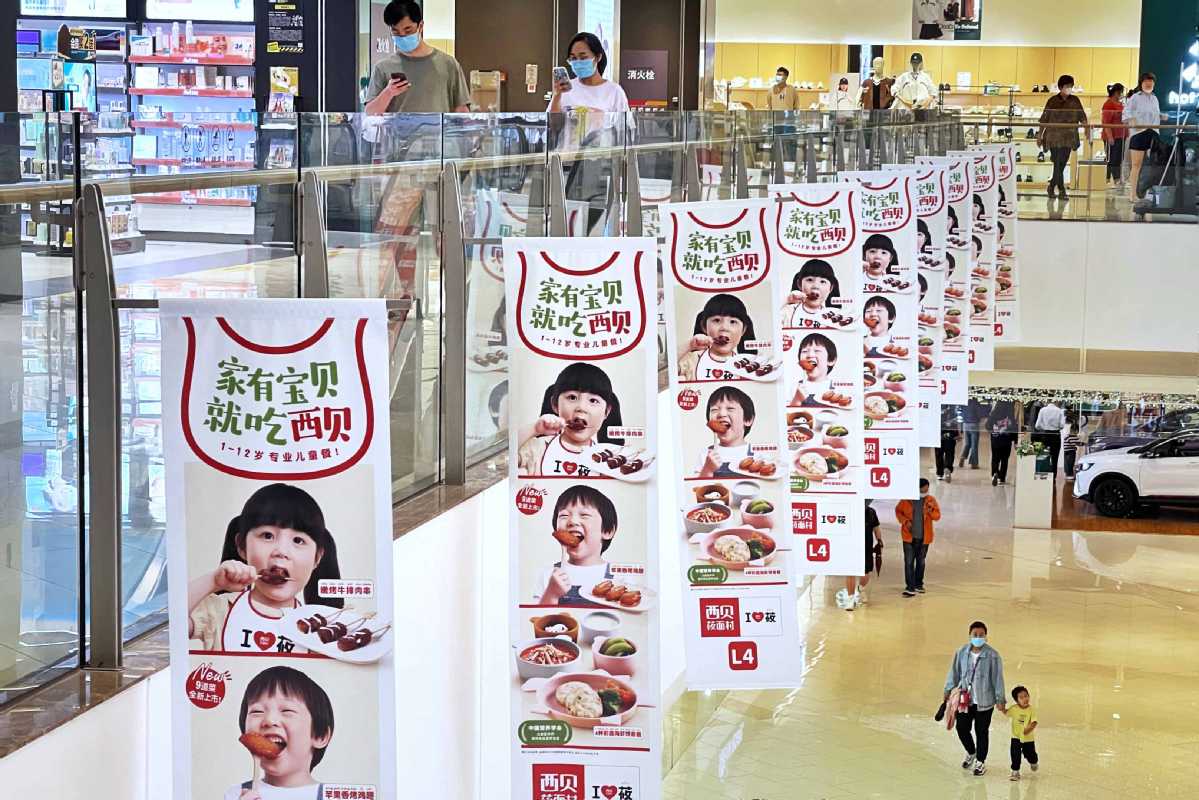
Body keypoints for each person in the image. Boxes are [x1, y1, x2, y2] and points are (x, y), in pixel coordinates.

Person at [188, 484, 342, 653]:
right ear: (241, 546)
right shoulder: (218, 611)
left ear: (317, 558)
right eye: (267, 536)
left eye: (298, 540)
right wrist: (213, 582)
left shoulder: (320, 630)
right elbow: (172, 622)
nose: (281, 552)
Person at [227, 666, 335, 800]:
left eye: (287, 711)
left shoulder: (333, 796)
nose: (269, 720)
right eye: (257, 711)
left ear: (320, 735)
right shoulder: (236, 794)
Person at [517, 363, 624, 477]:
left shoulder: (608, 461)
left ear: (606, 412)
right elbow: (505, 459)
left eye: (593, 401)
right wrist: (534, 429)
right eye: (572, 397)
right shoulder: (537, 448)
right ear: (555, 404)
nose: (581, 408)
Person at [365, 0, 470, 114]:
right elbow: (370, 113)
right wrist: (388, 92)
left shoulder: (448, 64)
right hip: (398, 132)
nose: (402, 36)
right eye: (396, 32)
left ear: (420, 26)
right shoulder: (383, 68)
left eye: (408, 30)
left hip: (437, 132)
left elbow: (461, 111)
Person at [536, 485, 621, 605]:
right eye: (564, 515)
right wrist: (551, 593)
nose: (572, 521)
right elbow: (538, 619)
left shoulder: (619, 577)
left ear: (607, 531)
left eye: (584, 515)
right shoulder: (548, 574)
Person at [944, 621, 1007, 777]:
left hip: (985, 702)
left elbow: (997, 679)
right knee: (962, 728)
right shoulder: (961, 652)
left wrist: (1000, 699)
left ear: (986, 637)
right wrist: (947, 689)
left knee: (981, 731)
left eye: (981, 635)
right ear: (970, 635)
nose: (978, 637)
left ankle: (980, 761)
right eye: (975, 635)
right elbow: (954, 672)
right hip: (965, 699)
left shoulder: (993, 656)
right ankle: (971, 752)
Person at [677, 293, 759, 381]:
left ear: (743, 330)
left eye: (732, 322)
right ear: (704, 326)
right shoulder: (692, 360)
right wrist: (689, 345)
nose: (724, 328)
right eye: (716, 320)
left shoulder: (746, 366)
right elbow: (668, 368)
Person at [1036, 75, 1089, 201]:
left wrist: (1087, 129)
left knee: (1061, 164)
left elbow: (1082, 116)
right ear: (1060, 87)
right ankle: (1062, 190)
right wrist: (1039, 135)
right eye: (1066, 86)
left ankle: (1052, 186)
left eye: (1071, 86)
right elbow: (1044, 119)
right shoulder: (1052, 101)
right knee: (1058, 162)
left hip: (1069, 137)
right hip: (1053, 137)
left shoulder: (1075, 100)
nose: (1069, 88)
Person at [698, 386, 761, 477]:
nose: (721, 414)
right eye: (714, 410)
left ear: (748, 419)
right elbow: (698, 488)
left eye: (730, 408)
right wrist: (707, 469)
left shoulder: (757, 455)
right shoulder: (705, 454)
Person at [1122, 72, 1165, 201]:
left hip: (1153, 133)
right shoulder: (1135, 97)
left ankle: (1147, 193)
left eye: (1151, 81)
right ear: (1141, 83)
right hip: (1139, 133)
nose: (1149, 83)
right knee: (1136, 165)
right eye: (1146, 81)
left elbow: (1155, 114)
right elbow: (1126, 112)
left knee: (1153, 165)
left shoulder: (1154, 98)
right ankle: (1132, 194)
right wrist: (1132, 120)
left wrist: (1162, 116)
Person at [895, 478, 940, 597]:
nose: (925, 492)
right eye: (923, 490)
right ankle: (910, 587)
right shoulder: (906, 500)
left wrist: (930, 510)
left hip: (924, 538)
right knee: (909, 562)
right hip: (908, 537)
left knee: (921, 561)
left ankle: (918, 584)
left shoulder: (931, 500)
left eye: (927, 490)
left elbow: (937, 516)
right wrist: (905, 522)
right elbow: (898, 511)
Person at [838, 499, 883, 611]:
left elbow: (876, 528)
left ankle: (860, 588)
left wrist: (879, 540)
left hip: (866, 547)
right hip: (850, 546)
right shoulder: (847, 510)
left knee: (865, 574)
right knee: (850, 572)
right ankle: (850, 599)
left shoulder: (871, 512)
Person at [781, 259, 844, 327]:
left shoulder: (833, 318)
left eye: (822, 281)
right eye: (810, 280)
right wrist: (787, 300)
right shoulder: (787, 312)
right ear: (799, 284)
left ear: (830, 288)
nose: (816, 286)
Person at [1005, 685, 1040, 781]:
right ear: (1016, 700)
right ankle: (1015, 771)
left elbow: (1034, 722)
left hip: (1028, 738)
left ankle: (1033, 761)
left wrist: (1027, 730)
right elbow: (1006, 713)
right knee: (1015, 754)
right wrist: (1001, 707)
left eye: (1026, 696)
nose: (1025, 699)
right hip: (1016, 736)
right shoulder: (1014, 708)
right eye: (1021, 697)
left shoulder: (1031, 709)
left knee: (1030, 754)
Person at [793, 333, 838, 407]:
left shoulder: (836, 388)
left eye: (817, 351)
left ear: (831, 360)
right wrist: (797, 400)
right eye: (804, 351)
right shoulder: (795, 387)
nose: (810, 355)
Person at [1101, 83, 1128, 189]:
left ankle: (1116, 179)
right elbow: (1106, 122)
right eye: (1120, 92)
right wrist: (1110, 136)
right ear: (1116, 92)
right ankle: (1112, 179)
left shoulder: (1120, 104)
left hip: (1121, 135)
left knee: (1118, 158)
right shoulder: (1108, 104)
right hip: (1113, 136)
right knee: (1112, 159)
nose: (1121, 94)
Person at [987, 400, 1017, 485]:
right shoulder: (1010, 416)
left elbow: (987, 425)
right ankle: (1002, 478)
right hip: (1006, 440)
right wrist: (1015, 441)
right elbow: (1014, 429)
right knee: (1004, 459)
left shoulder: (993, 415)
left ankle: (994, 473)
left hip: (995, 440)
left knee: (995, 458)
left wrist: (993, 431)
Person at [1034, 398, 1066, 476]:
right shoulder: (1059, 411)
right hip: (1056, 435)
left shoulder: (1042, 410)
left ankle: (1044, 475)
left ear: (1047, 401)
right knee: (1055, 457)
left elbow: (1037, 426)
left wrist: (1044, 426)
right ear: (1056, 401)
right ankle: (1054, 476)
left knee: (1044, 456)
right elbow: (1062, 426)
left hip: (1045, 435)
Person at [936, 405, 960, 482]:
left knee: (939, 455)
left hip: (938, 437)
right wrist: (957, 435)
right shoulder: (952, 413)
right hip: (950, 437)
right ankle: (948, 467)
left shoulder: (935, 413)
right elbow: (955, 424)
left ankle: (940, 474)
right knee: (949, 453)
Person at [959, 398, 982, 470]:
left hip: (965, 424)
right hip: (974, 424)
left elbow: (961, 412)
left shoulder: (964, 401)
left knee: (967, 443)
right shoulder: (975, 402)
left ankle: (962, 457)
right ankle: (974, 464)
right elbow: (979, 413)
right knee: (974, 445)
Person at [1062, 412, 1083, 479]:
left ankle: (1066, 472)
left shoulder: (1067, 436)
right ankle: (1069, 475)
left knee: (1066, 462)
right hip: (1071, 451)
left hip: (1066, 451)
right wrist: (1083, 443)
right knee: (1070, 463)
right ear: (1075, 431)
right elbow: (1077, 443)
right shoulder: (1072, 436)